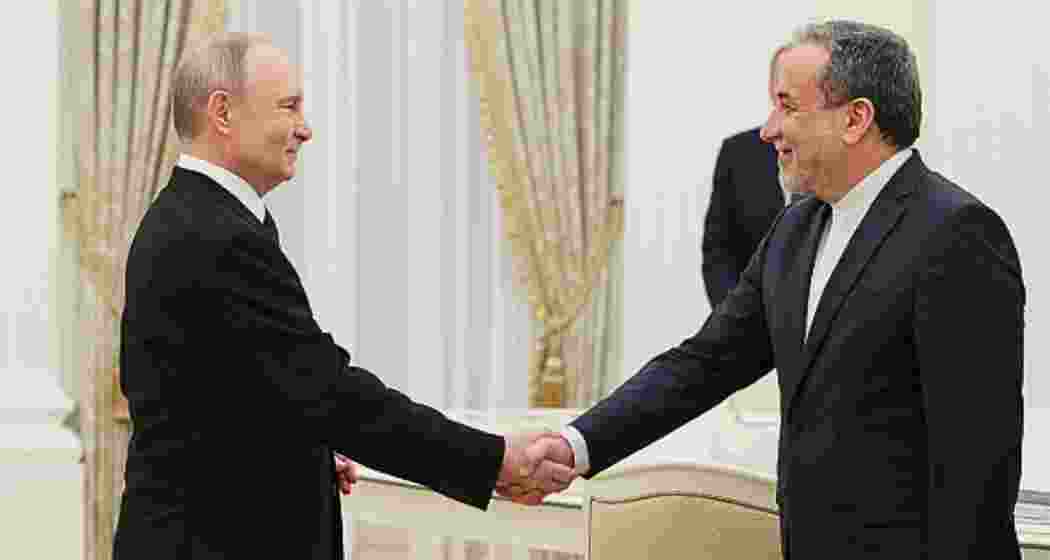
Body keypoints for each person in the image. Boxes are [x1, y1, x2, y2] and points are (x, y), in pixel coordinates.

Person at [524, 20, 1026, 559]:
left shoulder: (956, 233)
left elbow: (976, 459)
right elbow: (704, 363)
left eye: (787, 106)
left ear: (855, 119)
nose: (768, 130)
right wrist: (575, 445)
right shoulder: (794, 229)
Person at [114, 33, 572, 560]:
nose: (305, 129)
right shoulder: (215, 235)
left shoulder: (197, 217)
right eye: (289, 106)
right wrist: (492, 460)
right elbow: (327, 391)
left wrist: (297, 450)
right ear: (222, 112)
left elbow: (223, 393)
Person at [702, 126, 784, 308]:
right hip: (752, 315)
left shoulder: (839, 150)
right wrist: (735, 316)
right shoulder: (739, 152)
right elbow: (719, 251)